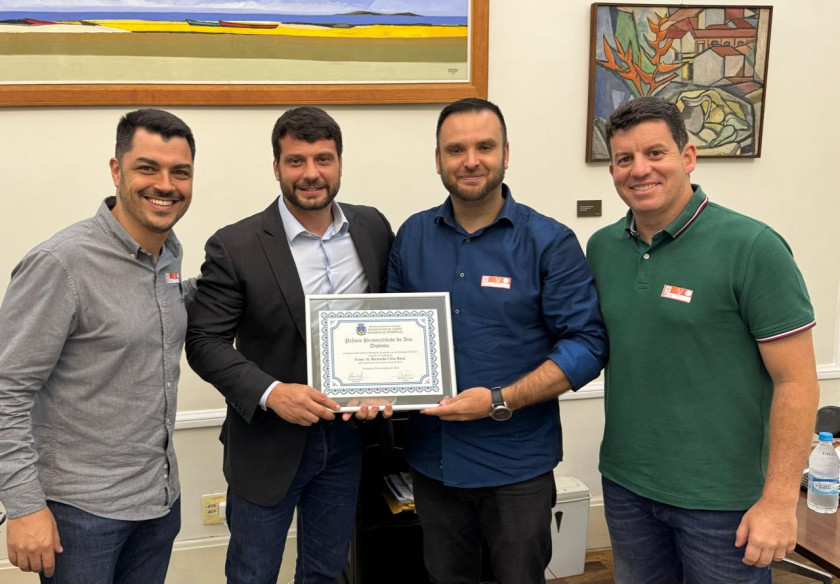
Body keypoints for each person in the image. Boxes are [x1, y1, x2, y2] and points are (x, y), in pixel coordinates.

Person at [586, 96, 820, 584]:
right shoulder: (603, 247)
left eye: (655, 153)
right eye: (625, 158)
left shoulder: (753, 247)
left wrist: (779, 501)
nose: (640, 169)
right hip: (627, 486)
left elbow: (797, 382)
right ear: (612, 170)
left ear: (688, 156)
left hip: (724, 503)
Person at [388, 98, 608, 584]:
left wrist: (498, 400)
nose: (471, 161)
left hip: (516, 467)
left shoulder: (549, 242)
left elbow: (587, 344)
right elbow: (393, 332)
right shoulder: (412, 236)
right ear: (438, 159)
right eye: (456, 150)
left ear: (506, 154)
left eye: (484, 147)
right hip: (433, 461)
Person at [185, 106, 393, 584]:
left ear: (339, 163)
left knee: (326, 572)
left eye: (323, 159)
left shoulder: (373, 228)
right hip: (267, 443)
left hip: (348, 438)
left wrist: (389, 381)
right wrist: (272, 393)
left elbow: (391, 317)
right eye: (296, 161)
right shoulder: (235, 245)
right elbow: (204, 341)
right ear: (276, 167)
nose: (311, 173)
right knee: (252, 575)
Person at [0, 108, 196, 583]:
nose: (165, 185)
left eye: (180, 172)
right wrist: (24, 506)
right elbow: (6, 391)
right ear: (116, 170)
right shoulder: (61, 264)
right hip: (81, 516)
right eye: (147, 168)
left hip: (158, 502)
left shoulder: (168, 253)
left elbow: (154, 314)